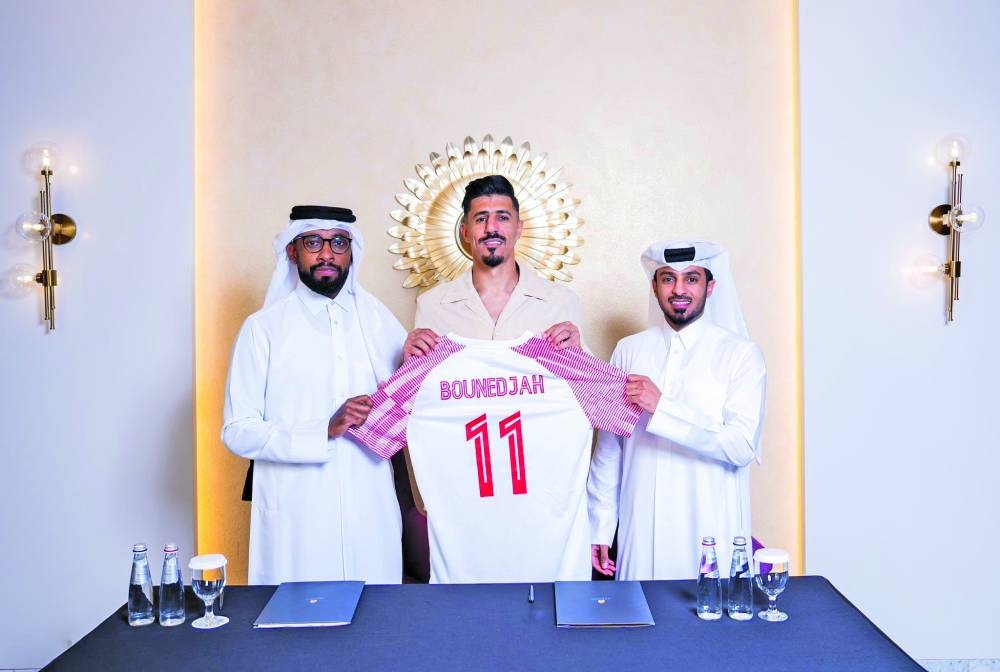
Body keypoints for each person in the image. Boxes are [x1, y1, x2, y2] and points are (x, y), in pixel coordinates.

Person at [222, 205, 406, 585]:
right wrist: (322, 429)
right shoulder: (264, 329)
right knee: (297, 631)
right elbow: (237, 430)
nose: (326, 253)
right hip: (297, 518)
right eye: (313, 243)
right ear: (293, 251)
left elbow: (417, 395)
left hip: (370, 512)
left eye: (338, 242)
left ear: (352, 251)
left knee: (378, 630)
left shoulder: (377, 319)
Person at [587, 241, 766, 580]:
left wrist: (661, 408)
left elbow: (741, 447)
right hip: (641, 530)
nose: (679, 289)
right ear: (654, 287)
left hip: (709, 528)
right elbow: (609, 450)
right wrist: (599, 527)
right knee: (639, 626)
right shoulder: (629, 350)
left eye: (692, 279)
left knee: (706, 627)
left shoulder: (741, 355)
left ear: (710, 287)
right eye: (668, 278)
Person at [404, 174, 582, 357]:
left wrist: (580, 354)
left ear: (519, 228)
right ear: (465, 232)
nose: (491, 228)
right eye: (481, 219)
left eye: (503, 218)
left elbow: (583, 382)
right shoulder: (431, 306)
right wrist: (407, 358)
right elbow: (422, 381)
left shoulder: (562, 302)